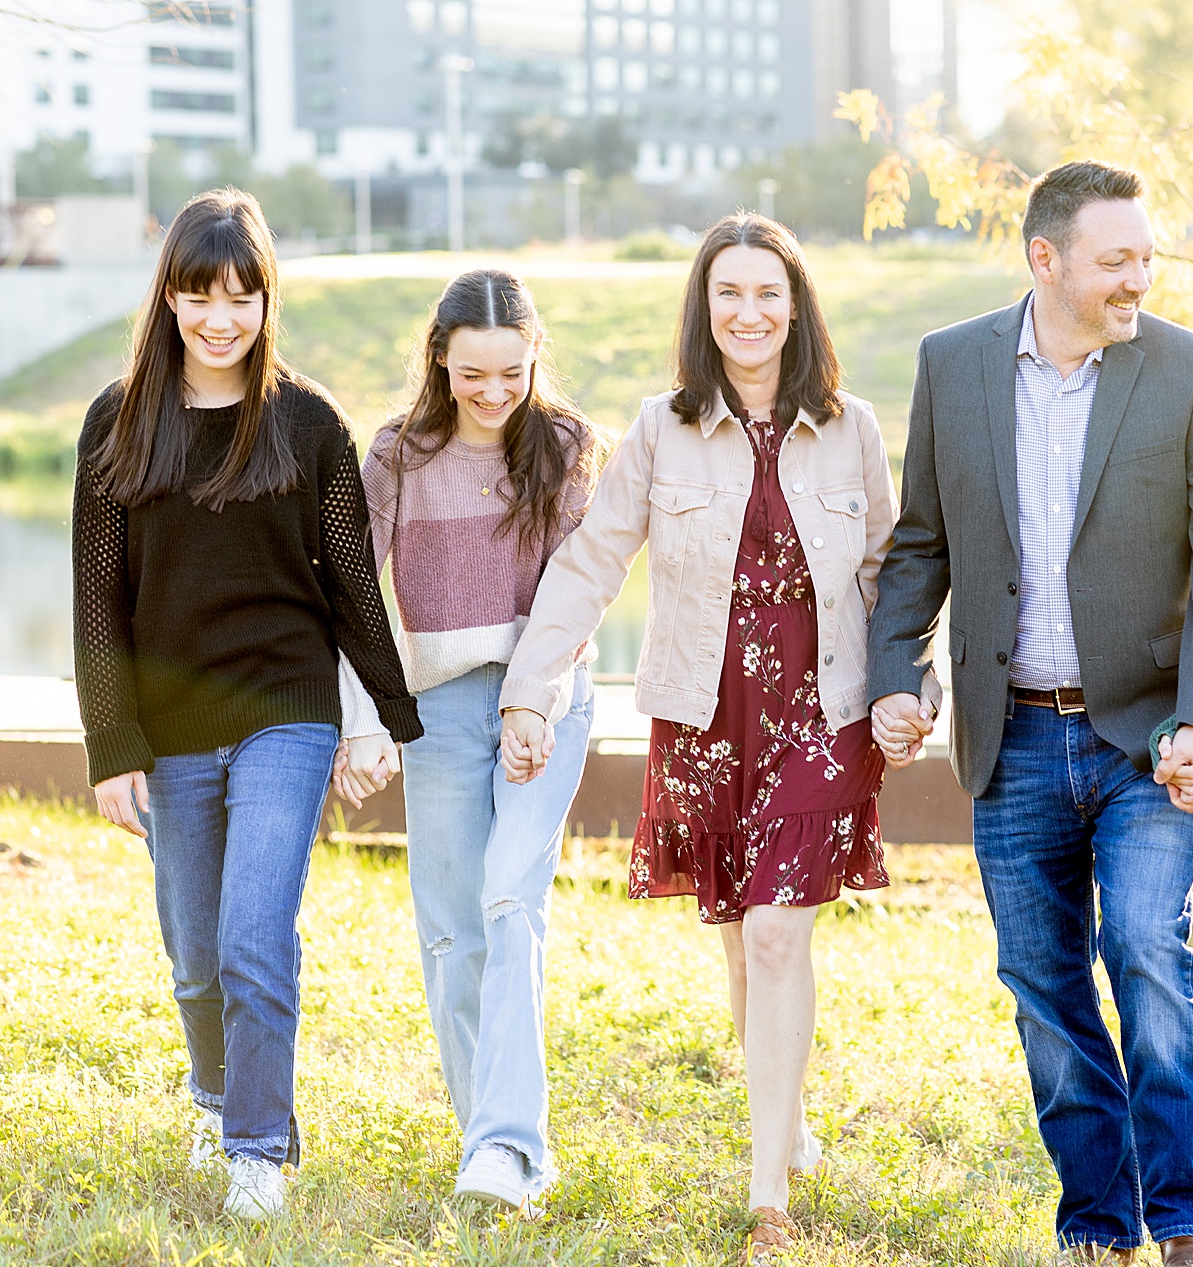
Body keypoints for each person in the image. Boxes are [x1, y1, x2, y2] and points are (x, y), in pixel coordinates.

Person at [497, 213, 919, 1263]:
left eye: (768, 293)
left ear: (796, 306)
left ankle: (767, 1188)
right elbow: (594, 562)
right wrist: (531, 685)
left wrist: (914, 692)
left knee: (778, 932)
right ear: (704, 308)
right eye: (728, 293)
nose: (748, 312)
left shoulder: (852, 425)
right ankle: (791, 1123)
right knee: (740, 937)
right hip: (706, 713)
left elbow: (892, 575)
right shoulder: (661, 427)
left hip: (823, 709)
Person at [865, 159, 1193, 1266]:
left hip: (1148, 737)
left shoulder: (1192, 372)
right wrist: (896, 671)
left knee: (1142, 946)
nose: (1139, 277)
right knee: (1043, 984)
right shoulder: (952, 366)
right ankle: (1098, 1219)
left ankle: (1185, 1220)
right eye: (1114, 259)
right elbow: (922, 542)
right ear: (1045, 259)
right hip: (1013, 734)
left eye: (1146, 257)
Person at [71, 188, 419, 1220]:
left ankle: (258, 1148)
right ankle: (217, 1097)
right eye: (199, 294)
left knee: (254, 934)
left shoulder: (309, 423)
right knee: (193, 955)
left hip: (286, 708)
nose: (220, 318)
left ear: (269, 297)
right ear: (168, 296)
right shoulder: (118, 420)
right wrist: (112, 744)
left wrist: (390, 722)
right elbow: (98, 599)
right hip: (169, 726)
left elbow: (354, 584)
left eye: (242, 296)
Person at [329, 270, 606, 1211]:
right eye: (474, 374)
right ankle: (484, 1134)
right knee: (451, 930)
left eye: (513, 374)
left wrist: (534, 698)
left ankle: (509, 1146)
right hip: (439, 708)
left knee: (508, 900)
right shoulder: (398, 456)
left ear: (536, 359)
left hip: (546, 697)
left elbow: (578, 590)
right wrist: (364, 723)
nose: (494, 393)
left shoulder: (567, 447)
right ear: (440, 358)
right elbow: (355, 596)